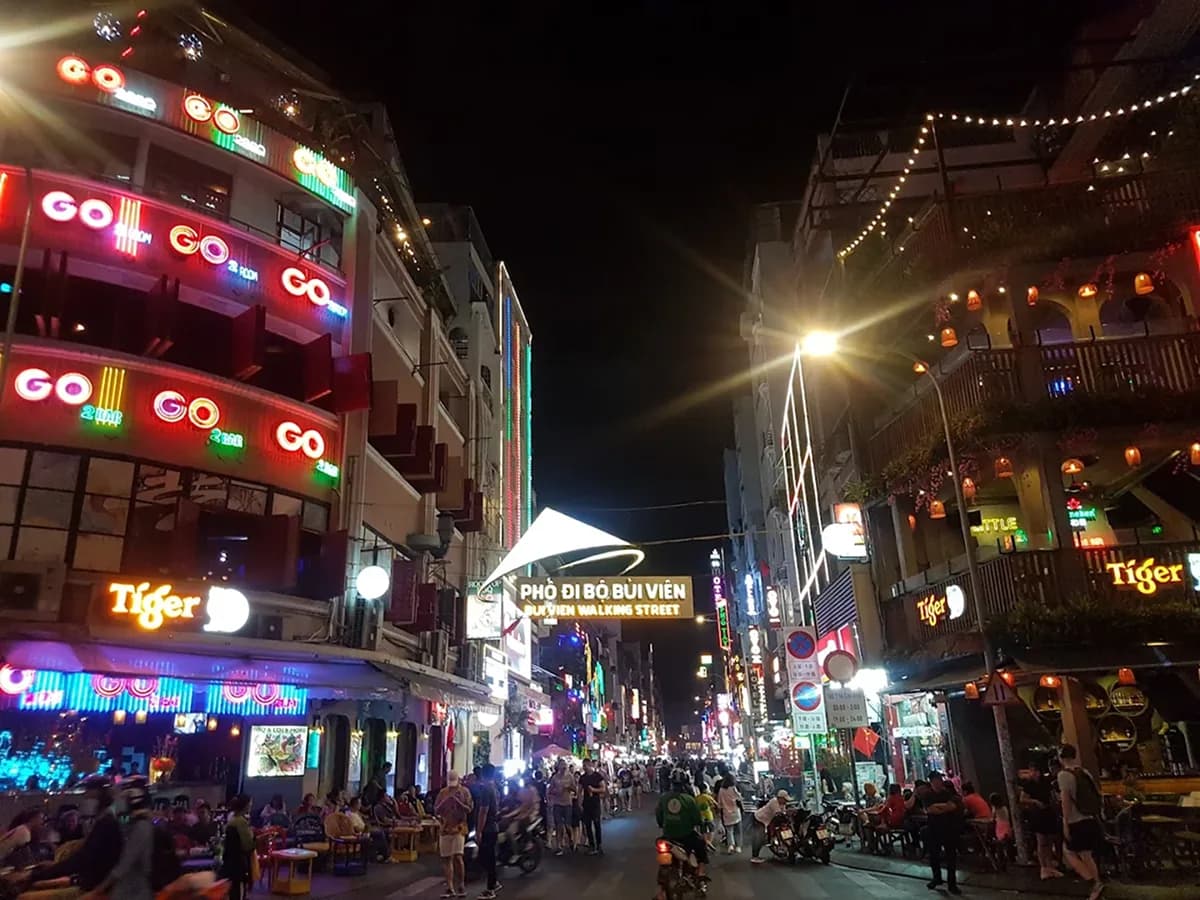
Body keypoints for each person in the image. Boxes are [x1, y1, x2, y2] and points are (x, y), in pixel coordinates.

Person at [88, 778, 180, 900]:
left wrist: (98, 890)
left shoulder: (141, 827)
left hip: (137, 891)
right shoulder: (133, 824)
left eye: (122, 801)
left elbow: (124, 865)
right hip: (129, 888)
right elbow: (122, 820)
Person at [26, 778, 122, 893]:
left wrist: (39, 875)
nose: (85, 798)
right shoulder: (106, 821)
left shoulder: (106, 823)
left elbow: (82, 860)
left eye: (88, 795)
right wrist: (53, 866)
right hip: (88, 881)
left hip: (93, 887)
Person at [1058, 744, 1105, 900]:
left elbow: (1065, 801)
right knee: (1086, 855)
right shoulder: (1084, 772)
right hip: (1090, 818)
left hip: (1075, 820)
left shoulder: (1063, 775)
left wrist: (1065, 822)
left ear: (1061, 758)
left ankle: (1092, 881)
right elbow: (1098, 794)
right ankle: (1096, 886)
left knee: (1068, 851)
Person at [654, 768, 708, 895]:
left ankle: (661, 891)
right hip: (686, 836)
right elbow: (697, 819)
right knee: (701, 845)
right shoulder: (689, 800)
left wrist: (663, 824)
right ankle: (700, 874)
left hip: (668, 836)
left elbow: (659, 817)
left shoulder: (664, 798)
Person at [923, 771, 964, 896]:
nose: (938, 782)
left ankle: (952, 884)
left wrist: (939, 807)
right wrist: (943, 807)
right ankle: (937, 878)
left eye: (940, 780)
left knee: (951, 856)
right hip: (934, 828)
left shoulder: (947, 793)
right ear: (931, 782)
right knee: (934, 856)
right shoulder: (927, 795)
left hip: (948, 828)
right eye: (936, 780)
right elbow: (930, 810)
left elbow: (952, 806)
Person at [1019, 767, 1063, 880]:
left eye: (1034, 771)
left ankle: (1050, 866)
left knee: (1049, 841)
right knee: (1041, 841)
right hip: (1037, 815)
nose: (1033, 773)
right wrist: (1035, 802)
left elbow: (1053, 795)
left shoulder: (1046, 782)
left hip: (1049, 813)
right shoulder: (1028, 785)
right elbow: (1022, 799)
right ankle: (1043, 867)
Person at [435, 772, 473, 899]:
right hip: (445, 828)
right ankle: (450, 887)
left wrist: (458, 802)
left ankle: (461, 884)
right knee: (446, 858)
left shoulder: (465, 792)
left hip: (459, 828)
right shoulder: (443, 793)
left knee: (458, 856)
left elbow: (469, 809)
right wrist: (445, 802)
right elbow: (436, 810)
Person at [220, 794, 255, 900]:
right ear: (246, 806)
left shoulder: (232, 819)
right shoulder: (241, 822)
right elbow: (248, 846)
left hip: (230, 862)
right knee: (238, 894)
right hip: (239, 863)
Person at [476, 764, 501, 900]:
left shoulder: (486, 789)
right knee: (489, 857)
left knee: (486, 857)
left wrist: (479, 830)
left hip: (488, 827)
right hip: (494, 826)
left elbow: (483, 811)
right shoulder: (495, 788)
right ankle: (494, 882)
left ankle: (490, 888)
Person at [750, 789, 791, 863]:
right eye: (784, 799)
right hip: (759, 819)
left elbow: (783, 813)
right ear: (780, 798)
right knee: (759, 838)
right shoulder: (774, 802)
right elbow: (778, 813)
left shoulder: (782, 804)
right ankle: (754, 857)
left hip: (767, 820)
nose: (786, 801)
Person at [579, 758, 606, 855]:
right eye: (583, 765)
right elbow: (579, 791)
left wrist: (593, 790)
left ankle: (599, 845)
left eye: (585, 765)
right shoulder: (582, 778)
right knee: (588, 826)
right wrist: (579, 803)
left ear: (589, 765)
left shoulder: (597, 776)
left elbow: (603, 789)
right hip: (586, 804)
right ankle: (591, 845)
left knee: (597, 824)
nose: (584, 767)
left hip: (595, 804)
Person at [548, 760, 575, 854]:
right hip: (557, 804)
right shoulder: (554, 778)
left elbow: (575, 789)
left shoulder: (570, 777)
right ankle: (559, 846)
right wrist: (554, 793)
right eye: (561, 766)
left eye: (565, 766)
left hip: (567, 804)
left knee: (567, 825)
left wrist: (568, 788)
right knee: (559, 826)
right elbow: (550, 791)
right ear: (558, 767)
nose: (563, 768)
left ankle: (571, 839)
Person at [716, 775, 742, 853]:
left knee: (729, 831)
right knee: (738, 831)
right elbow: (739, 798)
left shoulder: (721, 790)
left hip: (726, 813)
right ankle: (738, 847)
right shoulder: (733, 788)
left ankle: (731, 846)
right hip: (735, 812)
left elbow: (719, 803)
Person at [695, 783, 717, 851]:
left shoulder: (697, 798)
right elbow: (715, 804)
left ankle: (706, 843)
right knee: (712, 829)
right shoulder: (707, 797)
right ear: (705, 789)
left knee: (703, 831)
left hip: (701, 817)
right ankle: (709, 842)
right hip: (709, 816)